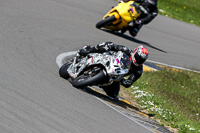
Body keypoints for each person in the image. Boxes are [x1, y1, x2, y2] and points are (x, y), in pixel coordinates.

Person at [78, 42, 149, 99]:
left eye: (141, 60)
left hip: (115, 76)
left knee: (114, 95)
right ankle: (88, 51)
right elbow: (113, 46)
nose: (139, 60)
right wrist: (108, 47)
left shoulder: (138, 70)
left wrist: (125, 82)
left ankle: (98, 81)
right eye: (138, 57)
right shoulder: (125, 50)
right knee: (105, 46)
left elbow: (129, 82)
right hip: (108, 61)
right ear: (135, 52)